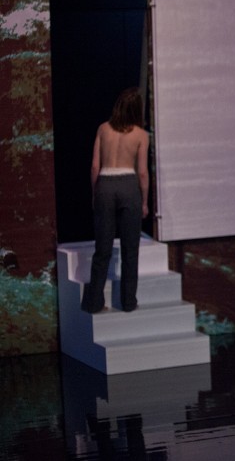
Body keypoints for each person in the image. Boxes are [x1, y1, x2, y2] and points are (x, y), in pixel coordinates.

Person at [81, 87, 149, 314]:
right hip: (128, 186)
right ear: (137, 110)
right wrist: (144, 202)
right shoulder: (141, 135)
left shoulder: (103, 129)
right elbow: (142, 173)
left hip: (105, 186)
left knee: (102, 249)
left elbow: (94, 167)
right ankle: (128, 302)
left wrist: (95, 193)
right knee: (130, 249)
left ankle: (94, 303)